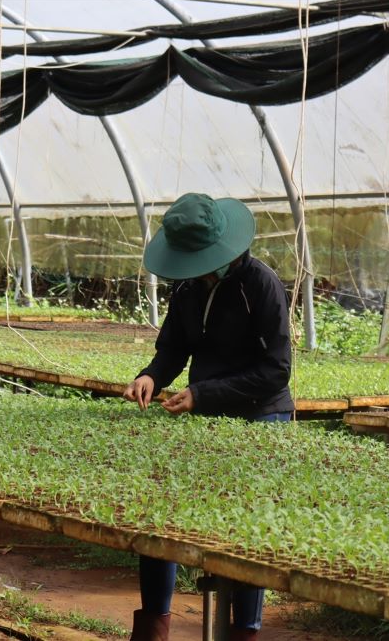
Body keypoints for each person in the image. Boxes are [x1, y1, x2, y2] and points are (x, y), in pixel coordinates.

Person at [122, 193, 293, 641]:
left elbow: (275, 372)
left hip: (261, 411)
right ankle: (154, 627)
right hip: (202, 406)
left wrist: (202, 394)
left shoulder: (261, 285)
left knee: (244, 524)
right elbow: (174, 347)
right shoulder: (188, 287)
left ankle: (243, 632)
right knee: (163, 511)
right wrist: (151, 377)